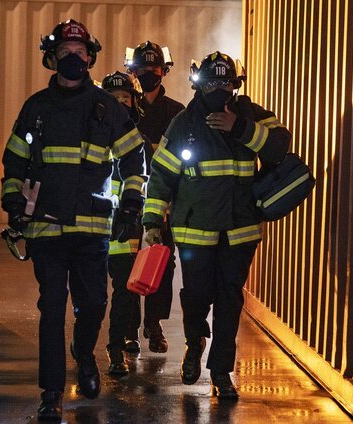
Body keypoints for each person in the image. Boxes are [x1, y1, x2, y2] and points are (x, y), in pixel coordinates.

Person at [0, 19, 146, 421]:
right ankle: (51, 392)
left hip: (92, 228)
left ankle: (84, 354)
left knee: (94, 304)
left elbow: (134, 155)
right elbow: (14, 159)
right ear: (52, 58)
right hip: (45, 227)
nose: (73, 59)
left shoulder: (106, 108)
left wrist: (132, 201)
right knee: (51, 309)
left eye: (80, 53)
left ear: (90, 58)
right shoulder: (36, 108)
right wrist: (12, 197)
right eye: (65, 53)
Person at [141, 51, 291, 400]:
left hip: (239, 233)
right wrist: (151, 221)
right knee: (196, 297)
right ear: (198, 84)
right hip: (195, 232)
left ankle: (221, 372)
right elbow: (161, 175)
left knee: (228, 301)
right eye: (211, 82)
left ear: (236, 84)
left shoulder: (251, 115)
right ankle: (195, 344)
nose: (218, 89)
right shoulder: (183, 123)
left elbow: (280, 146)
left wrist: (238, 127)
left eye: (225, 82)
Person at [122, 41, 185, 355]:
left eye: (155, 68)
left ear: (165, 71)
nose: (149, 73)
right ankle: (130, 329)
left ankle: (154, 324)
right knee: (129, 262)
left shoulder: (177, 112)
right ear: (132, 71)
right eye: (143, 68)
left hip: (164, 202)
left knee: (163, 263)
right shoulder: (124, 109)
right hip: (129, 200)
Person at [99, 70, 145, 376]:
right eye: (113, 98)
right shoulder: (91, 131)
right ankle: (84, 341)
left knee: (124, 291)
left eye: (124, 98)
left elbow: (144, 180)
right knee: (90, 295)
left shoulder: (137, 139)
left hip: (125, 226)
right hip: (93, 226)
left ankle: (117, 347)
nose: (119, 103)